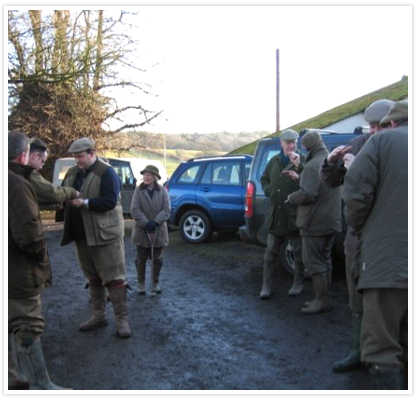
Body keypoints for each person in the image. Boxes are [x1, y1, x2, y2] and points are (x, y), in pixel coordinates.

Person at [320, 99, 394, 371]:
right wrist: (330, 163)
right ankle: (357, 351)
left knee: (388, 304)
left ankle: (387, 360)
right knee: (357, 300)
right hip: (356, 240)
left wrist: (355, 171)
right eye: (371, 126)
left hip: (386, 242)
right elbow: (331, 182)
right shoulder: (360, 146)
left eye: (380, 126)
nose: (374, 131)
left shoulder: (401, 149)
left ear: (394, 123)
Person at [342, 100, 408, 390]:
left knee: (381, 346)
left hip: (388, 260)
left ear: (391, 123)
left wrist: (360, 226)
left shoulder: (381, 143)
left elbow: (356, 194)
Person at [8, 131, 70, 390]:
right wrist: (42, 258)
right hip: (17, 270)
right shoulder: (17, 183)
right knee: (28, 322)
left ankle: (13, 379)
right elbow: (30, 235)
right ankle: (41, 386)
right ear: (24, 155)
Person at [60, 137, 131, 338]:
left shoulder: (107, 173)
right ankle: (99, 316)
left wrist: (85, 203)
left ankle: (122, 321)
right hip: (82, 236)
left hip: (105, 236)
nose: (77, 161)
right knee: (92, 277)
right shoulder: (73, 173)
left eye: (79, 156)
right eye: (74, 157)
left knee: (115, 279)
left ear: (91, 153)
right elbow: (64, 193)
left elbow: (110, 201)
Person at [288, 131, 341, 314]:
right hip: (331, 221)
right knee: (325, 260)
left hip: (314, 222)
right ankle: (325, 298)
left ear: (305, 147)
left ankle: (321, 300)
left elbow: (308, 194)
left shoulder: (311, 165)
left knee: (312, 262)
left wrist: (292, 196)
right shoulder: (330, 161)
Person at [259, 129, 306, 299]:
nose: (291, 146)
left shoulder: (303, 161)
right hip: (276, 214)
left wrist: (298, 166)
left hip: (295, 215)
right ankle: (266, 286)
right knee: (270, 252)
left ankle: (298, 283)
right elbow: (264, 179)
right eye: (288, 143)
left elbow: (310, 182)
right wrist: (268, 190)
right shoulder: (274, 161)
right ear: (281, 144)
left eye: (294, 142)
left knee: (298, 253)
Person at [130, 165, 171, 295]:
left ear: (155, 177)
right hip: (142, 231)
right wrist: (146, 223)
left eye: (149, 175)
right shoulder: (138, 190)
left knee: (157, 259)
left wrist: (155, 222)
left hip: (159, 231)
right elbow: (134, 209)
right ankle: (141, 283)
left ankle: (155, 282)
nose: (146, 177)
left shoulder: (163, 191)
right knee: (141, 258)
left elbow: (167, 210)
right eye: (145, 174)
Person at [28, 138, 79, 204]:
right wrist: (72, 192)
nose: (41, 167)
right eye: (42, 162)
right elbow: (51, 192)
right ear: (36, 156)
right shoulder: (29, 173)